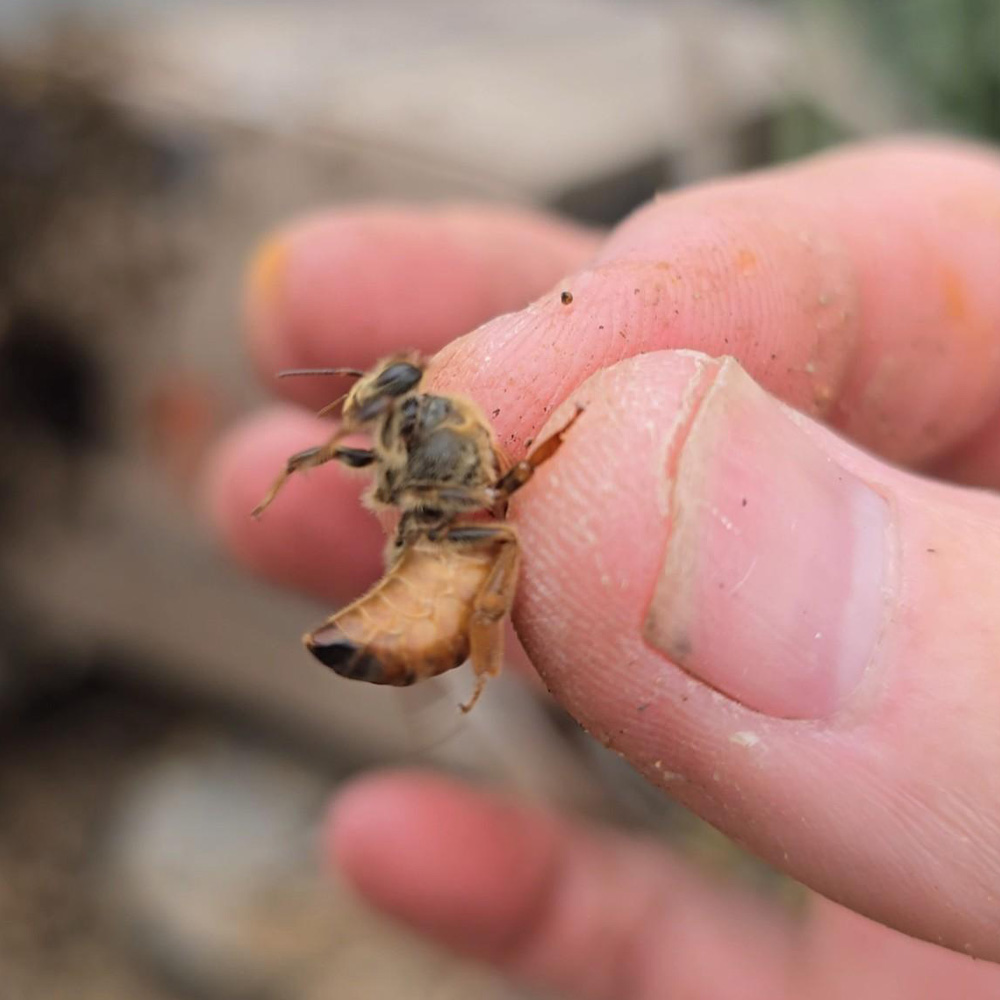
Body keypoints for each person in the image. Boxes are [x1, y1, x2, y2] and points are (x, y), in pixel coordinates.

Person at [208, 140, 1000, 998]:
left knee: (501, 542)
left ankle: (470, 659)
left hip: (448, 564)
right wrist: (320, 467)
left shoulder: (457, 427)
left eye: (377, 395)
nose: (363, 402)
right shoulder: (411, 436)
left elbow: (498, 487)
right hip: (434, 556)